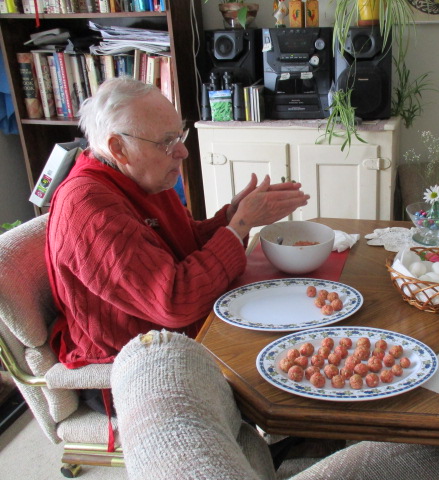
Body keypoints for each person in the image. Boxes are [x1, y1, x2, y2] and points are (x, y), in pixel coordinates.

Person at [46, 77, 310, 372]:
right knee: (290, 356)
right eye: (167, 143)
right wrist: (240, 225)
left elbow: (183, 245)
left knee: (301, 320)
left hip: (179, 329)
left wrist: (231, 216)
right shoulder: (89, 208)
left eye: (179, 137)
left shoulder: (139, 175)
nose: (182, 152)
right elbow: (174, 301)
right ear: (118, 148)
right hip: (136, 362)